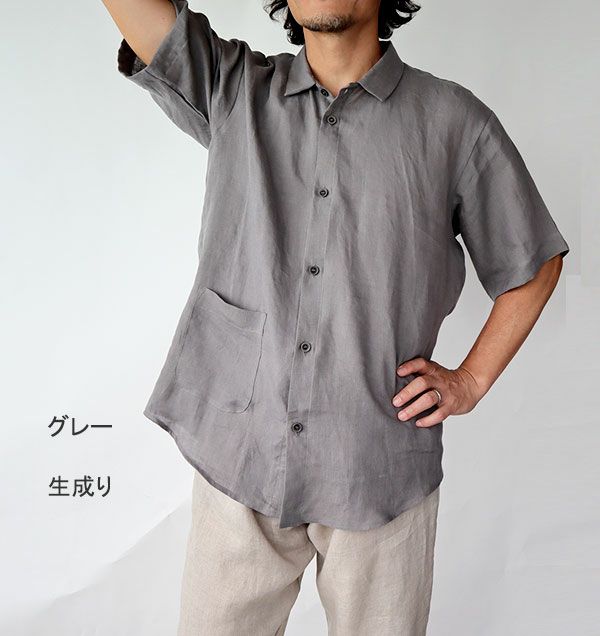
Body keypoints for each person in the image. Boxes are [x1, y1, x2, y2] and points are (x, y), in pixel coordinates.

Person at [103, 0, 570, 633]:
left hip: (378, 463)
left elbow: (532, 262)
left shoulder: (454, 122)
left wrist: (471, 379)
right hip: (239, 449)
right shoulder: (234, 88)